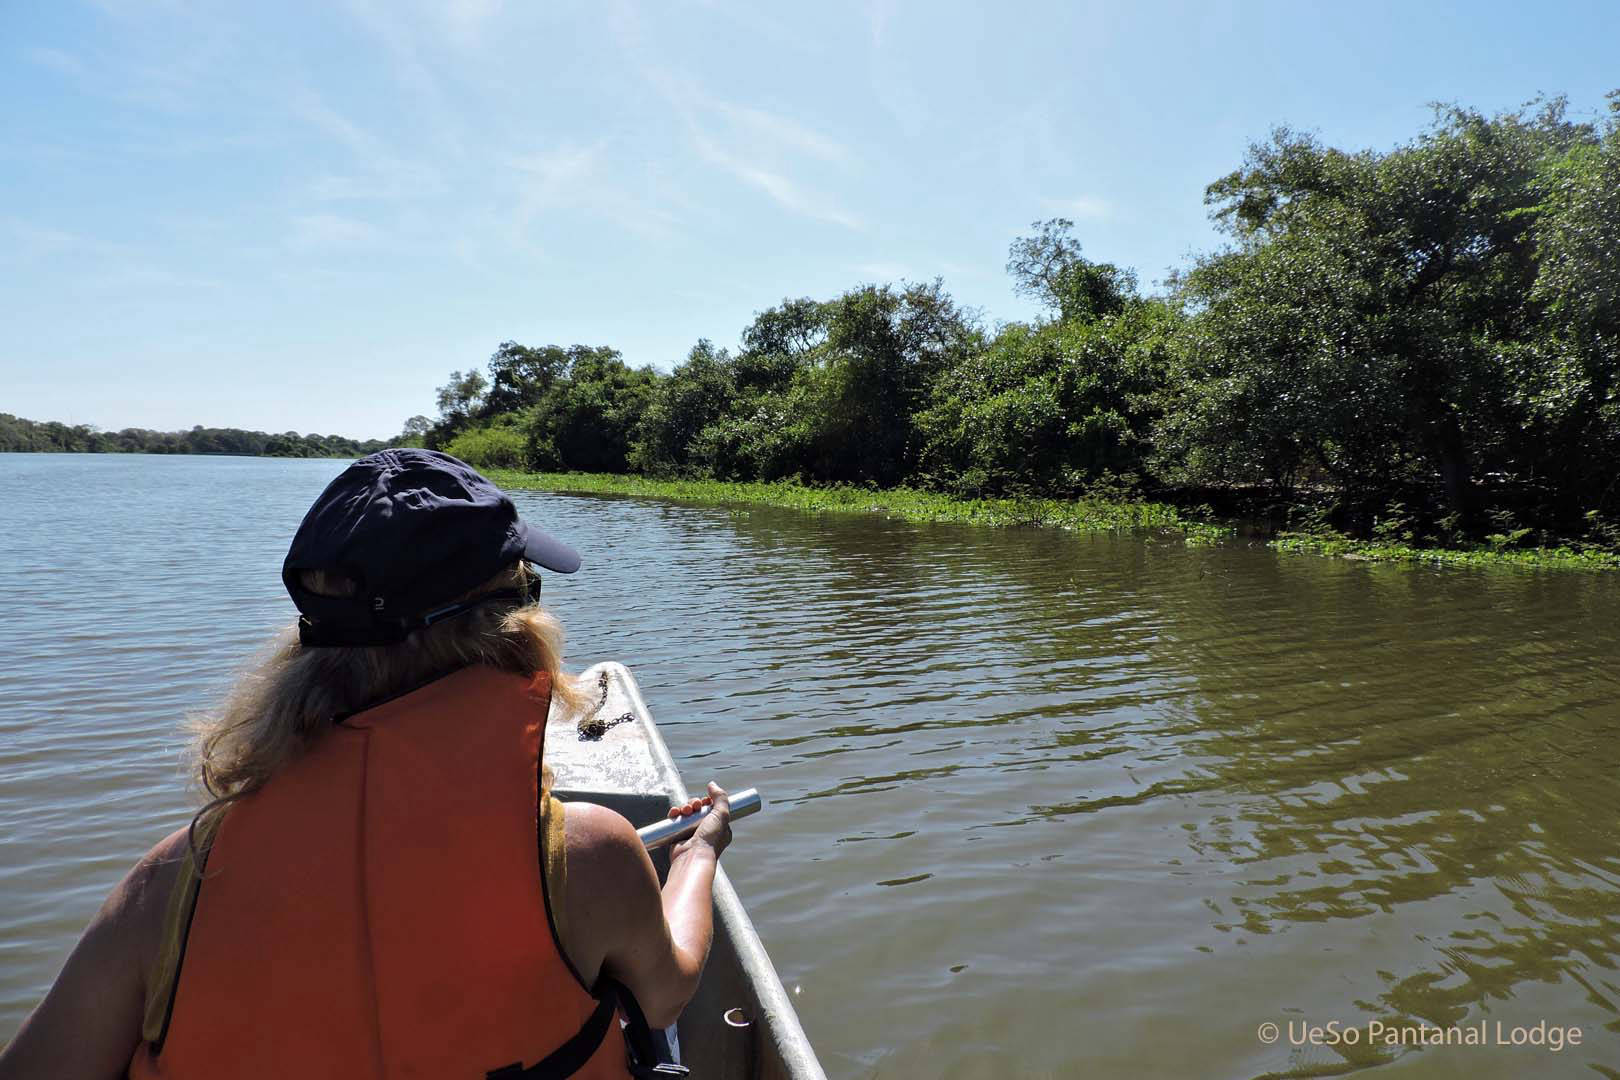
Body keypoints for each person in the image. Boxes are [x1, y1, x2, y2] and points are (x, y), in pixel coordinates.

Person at [0, 449, 732, 1080]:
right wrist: (698, 855)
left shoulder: (175, 878)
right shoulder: (590, 852)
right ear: (510, 628)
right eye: (527, 589)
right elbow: (668, 989)